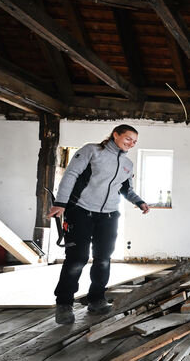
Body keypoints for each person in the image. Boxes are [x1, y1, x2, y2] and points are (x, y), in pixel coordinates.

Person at [48, 124, 150, 325]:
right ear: (116, 135)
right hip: (81, 211)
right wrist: (61, 203)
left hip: (109, 216)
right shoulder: (92, 151)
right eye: (128, 138)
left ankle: (96, 300)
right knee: (77, 258)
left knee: (103, 259)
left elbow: (125, 189)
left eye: (135, 141)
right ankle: (64, 304)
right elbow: (71, 174)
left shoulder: (127, 163)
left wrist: (139, 201)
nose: (132, 144)